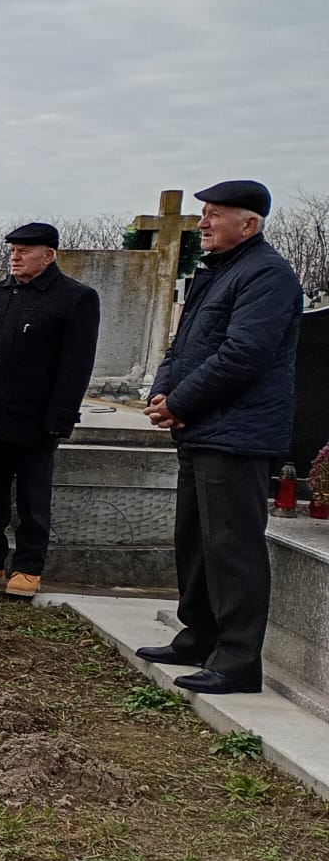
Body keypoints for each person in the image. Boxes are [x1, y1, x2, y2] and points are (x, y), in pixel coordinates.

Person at [136, 180, 304, 695]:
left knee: (233, 548)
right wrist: (163, 393)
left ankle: (236, 660)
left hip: (237, 433)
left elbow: (243, 355)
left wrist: (180, 402)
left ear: (249, 223)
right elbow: (182, 345)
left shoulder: (267, 276)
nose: (203, 223)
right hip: (203, 429)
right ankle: (199, 632)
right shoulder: (218, 274)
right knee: (195, 539)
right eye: (203, 213)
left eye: (214, 214)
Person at [0, 222, 103, 597]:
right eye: (13, 250)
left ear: (48, 255)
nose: (15, 257)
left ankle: (28, 568)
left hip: (36, 417)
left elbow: (76, 365)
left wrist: (60, 417)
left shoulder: (74, 298)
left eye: (24, 251)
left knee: (33, 498)